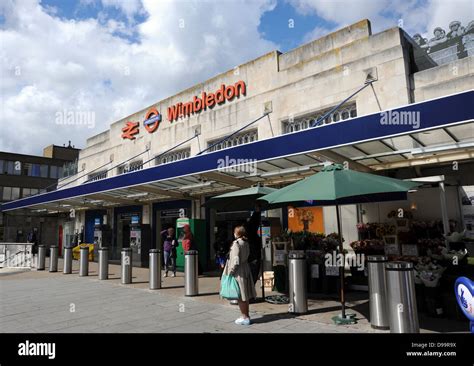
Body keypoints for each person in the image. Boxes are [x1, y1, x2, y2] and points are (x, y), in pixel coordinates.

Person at [222, 225, 256, 325]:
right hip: (245, 269)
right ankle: (246, 315)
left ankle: (244, 317)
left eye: (234, 232)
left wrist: (231, 272)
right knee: (244, 295)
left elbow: (235, 260)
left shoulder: (236, 244)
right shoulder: (245, 243)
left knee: (240, 296)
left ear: (237, 233)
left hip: (238, 272)